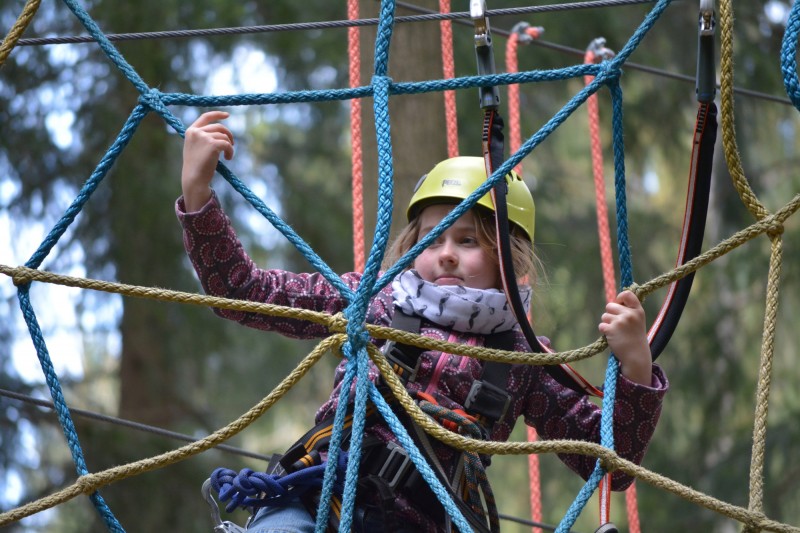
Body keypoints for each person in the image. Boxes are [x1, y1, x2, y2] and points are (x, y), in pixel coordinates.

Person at [177, 111, 668, 533]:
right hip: (317, 496)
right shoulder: (372, 300)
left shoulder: (522, 357)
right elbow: (245, 293)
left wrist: (636, 369)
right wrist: (198, 196)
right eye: (432, 240)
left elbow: (607, 461)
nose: (446, 255)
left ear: (508, 258)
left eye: (467, 241)